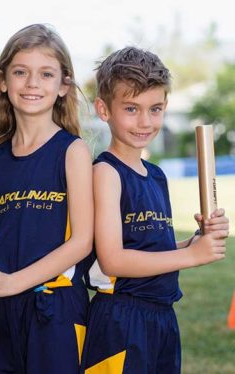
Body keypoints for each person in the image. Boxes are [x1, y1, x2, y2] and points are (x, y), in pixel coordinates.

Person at [81, 46, 228, 373]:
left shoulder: (156, 175)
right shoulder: (105, 173)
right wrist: (191, 256)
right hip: (121, 318)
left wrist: (194, 242)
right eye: (131, 108)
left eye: (156, 109)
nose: (145, 121)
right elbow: (113, 259)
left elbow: (150, 250)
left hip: (161, 317)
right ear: (104, 110)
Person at [0, 24, 94, 372]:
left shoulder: (72, 151)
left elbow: (81, 242)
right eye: (21, 72)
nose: (32, 83)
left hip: (54, 310)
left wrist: (13, 283)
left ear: (63, 85)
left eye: (46, 74)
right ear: (3, 81)